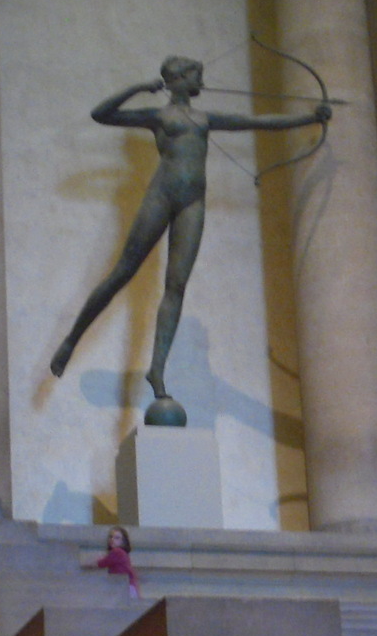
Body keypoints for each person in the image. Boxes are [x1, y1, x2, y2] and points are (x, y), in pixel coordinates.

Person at [49, 55, 330, 405]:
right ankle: (71, 340)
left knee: (177, 284)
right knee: (122, 272)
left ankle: (157, 369)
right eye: (197, 75)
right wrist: (140, 87)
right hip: (162, 196)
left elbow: (257, 122)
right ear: (179, 78)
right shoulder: (160, 116)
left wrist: (309, 118)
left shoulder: (204, 118)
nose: (202, 82)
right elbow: (101, 114)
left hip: (193, 202)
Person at [87, 525, 141, 599]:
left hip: (125, 588)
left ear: (123, 541)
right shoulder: (123, 553)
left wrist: (89, 563)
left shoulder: (117, 552)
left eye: (117, 538)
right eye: (111, 537)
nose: (112, 539)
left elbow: (101, 563)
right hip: (128, 587)